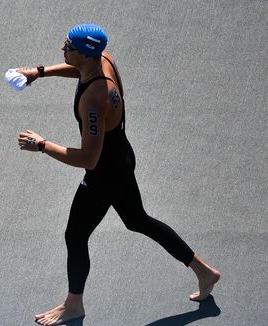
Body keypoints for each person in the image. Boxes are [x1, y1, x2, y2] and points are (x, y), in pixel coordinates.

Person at [16, 23, 220, 326]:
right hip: (122, 158)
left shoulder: (94, 100)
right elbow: (79, 70)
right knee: (138, 220)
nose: (63, 48)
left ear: (84, 54)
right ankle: (205, 272)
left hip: (105, 174)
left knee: (75, 235)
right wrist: (40, 71)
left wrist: (42, 145)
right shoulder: (102, 59)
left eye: (68, 47)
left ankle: (74, 305)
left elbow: (88, 157)